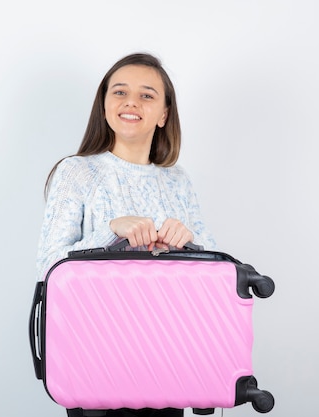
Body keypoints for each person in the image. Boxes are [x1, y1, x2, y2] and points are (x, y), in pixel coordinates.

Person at [35, 52, 217, 417]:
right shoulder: (77, 172)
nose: (131, 102)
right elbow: (49, 267)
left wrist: (190, 244)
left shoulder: (178, 180)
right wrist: (110, 231)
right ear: (104, 106)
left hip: (170, 355)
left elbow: (214, 274)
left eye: (147, 95)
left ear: (164, 114)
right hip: (95, 355)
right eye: (119, 92)